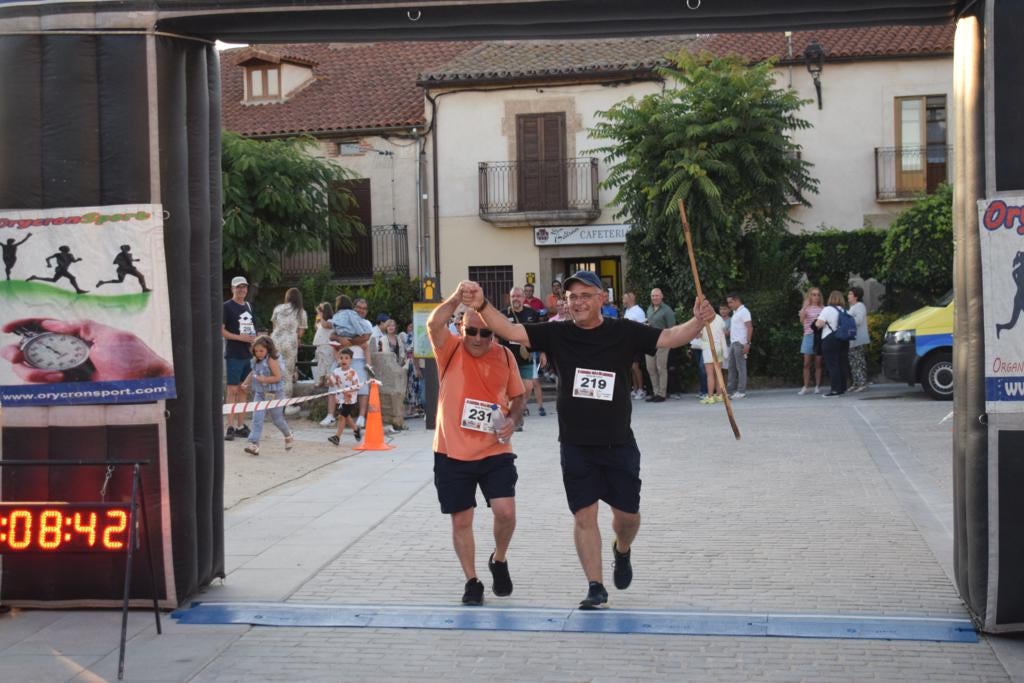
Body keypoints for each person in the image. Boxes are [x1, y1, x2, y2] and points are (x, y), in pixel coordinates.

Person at [461, 270, 714, 609]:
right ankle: (595, 586)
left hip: (618, 442)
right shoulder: (557, 333)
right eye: (572, 297)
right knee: (584, 515)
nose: (578, 302)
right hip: (576, 444)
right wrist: (482, 304)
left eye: (585, 296)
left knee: (627, 517)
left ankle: (621, 550)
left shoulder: (623, 331)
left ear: (602, 299)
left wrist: (697, 322)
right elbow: (510, 330)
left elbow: (668, 336)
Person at [428, 284, 526, 606]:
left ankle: (499, 558)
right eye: (472, 331)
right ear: (461, 328)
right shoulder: (450, 349)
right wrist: (457, 298)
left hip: (494, 449)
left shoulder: (505, 357)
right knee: (461, 519)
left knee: (506, 511)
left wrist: (514, 419)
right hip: (452, 451)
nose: (479, 339)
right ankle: (472, 580)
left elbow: (519, 396)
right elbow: (432, 324)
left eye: (486, 334)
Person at [2, 317, 173, 383]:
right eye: (36, 356)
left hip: (84, 363)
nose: (56, 352)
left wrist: (154, 373)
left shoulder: (70, 334)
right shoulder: (24, 350)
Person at [239, 335, 294, 456]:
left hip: (274, 393)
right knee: (257, 418)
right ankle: (254, 444)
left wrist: (263, 379)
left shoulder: (271, 360)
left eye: (261, 351)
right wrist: (245, 383)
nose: (258, 353)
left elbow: (277, 377)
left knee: (277, 419)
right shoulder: (255, 360)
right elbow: (253, 372)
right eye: (256, 351)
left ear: (268, 349)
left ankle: (288, 435)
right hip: (260, 393)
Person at [331, 296, 373, 429]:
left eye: (364, 308)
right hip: (342, 358)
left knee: (362, 387)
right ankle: (330, 415)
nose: (361, 310)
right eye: (359, 308)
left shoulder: (367, 323)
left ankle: (361, 416)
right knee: (332, 384)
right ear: (353, 308)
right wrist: (339, 338)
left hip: (359, 359)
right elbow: (332, 335)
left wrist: (347, 342)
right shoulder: (343, 318)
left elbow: (365, 337)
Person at [222, 276, 256, 440]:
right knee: (232, 390)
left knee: (244, 389)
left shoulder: (248, 306)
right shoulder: (226, 307)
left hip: (248, 355)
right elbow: (222, 331)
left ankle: (241, 425)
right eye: (238, 287)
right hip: (234, 354)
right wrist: (240, 338)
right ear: (232, 289)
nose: (241, 289)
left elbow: (252, 330)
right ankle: (229, 426)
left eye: (244, 287)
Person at [503, 287, 546, 418]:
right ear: (510, 298)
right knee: (509, 389)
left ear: (523, 298)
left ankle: (520, 408)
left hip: (526, 359)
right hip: (507, 359)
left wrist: (543, 353)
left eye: (518, 296)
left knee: (527, 388)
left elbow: (540, 335)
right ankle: (515, 415)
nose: (515, 298)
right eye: (513, 296)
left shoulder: (532, 313)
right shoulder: (503, 314)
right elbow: (496, 337)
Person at [270, 287, 307, 399]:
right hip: (290, 343)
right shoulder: (301, 311)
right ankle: (285, 403)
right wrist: (297, 337)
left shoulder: (278, 308)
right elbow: (301, 331)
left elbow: (274, 326)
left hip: (275, 342)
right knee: (287, 374)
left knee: (274, 370)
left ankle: (271, 401)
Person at [815, 290, 850, 396]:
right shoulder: (844, 310)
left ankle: (835, 390)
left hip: (830, 339)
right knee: (841, 364)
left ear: (830, 298)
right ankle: (842, 388)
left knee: (832, 365)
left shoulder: (827, 309)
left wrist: (818, 320)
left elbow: (818, 324)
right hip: (844, 340)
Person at [644, 288, 676, 403]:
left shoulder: (667, 310)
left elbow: (672, 328)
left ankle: (662, 394)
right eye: (653, 296)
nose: (654, 298)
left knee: (661, 368)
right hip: (650, 342)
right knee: (650, 368)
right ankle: (656, 392)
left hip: (663, 342)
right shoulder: (649, 308)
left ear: (662, 296)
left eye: (657, 295)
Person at [327, 347, 362, 445]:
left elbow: (357, 386)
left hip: (349, 400)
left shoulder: (353, 372)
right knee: (346, 417)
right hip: (339, 399)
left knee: (342, 417)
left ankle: (337, 437)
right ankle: (356, 429)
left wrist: (350, 391)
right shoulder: (336, 371)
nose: (343, 360)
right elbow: (331, 384)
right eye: (341, 358)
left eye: (346, 358)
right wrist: (329, 380)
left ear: (351, 360)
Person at [725, 293, 752, 399]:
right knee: (731, 367)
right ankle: (730, 391)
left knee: (740, 367)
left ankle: (741, 391)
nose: (729, 305)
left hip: (740, 343)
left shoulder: (744, 311)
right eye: (728, 303)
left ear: (737, 300)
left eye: (730, 302)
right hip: (733, 343)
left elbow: (749, 327)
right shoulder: (735, 312)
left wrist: (748, 343)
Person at [698, 304, 727, 405]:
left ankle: (710, 396)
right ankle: (719, 395)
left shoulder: (703, 320)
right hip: (719, 347)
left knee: (710, 374)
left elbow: (699, 334)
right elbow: (723, 330)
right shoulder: (718, 318)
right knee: (718, 373)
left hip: (708, 348)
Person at [798, 287, 824, 395]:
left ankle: (817, 386)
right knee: (806, 363)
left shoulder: (823, 308)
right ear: (809, 296)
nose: (816, 297)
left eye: (818, 294)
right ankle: (806, 386)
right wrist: (804, 307)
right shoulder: (806, 308)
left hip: (819, 337)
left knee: (818, 363)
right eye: (813, 294)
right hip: (808, 336)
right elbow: (801, 321)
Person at [621, 292, 647, 400]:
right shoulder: (627, 311)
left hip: (636, 343)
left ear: (630, 299)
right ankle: (635, 388)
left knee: (635, 367)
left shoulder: (639, 311)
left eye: (624, 299)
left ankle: (641, 389)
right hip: (628, 343)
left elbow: (642, 327)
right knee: (631, 368)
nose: (623, 301)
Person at [847, 286, 870, 392]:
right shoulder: (852, 307)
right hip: (852, 339)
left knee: (859, 361)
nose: (848, 296)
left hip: (858, 338)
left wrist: (846, 320)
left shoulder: (859, 306)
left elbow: (859, 320)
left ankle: (862, 382)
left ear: (856, 296)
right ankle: (856, 382)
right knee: (853, 362)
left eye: (850, 294)